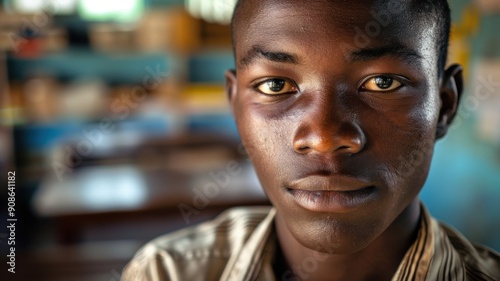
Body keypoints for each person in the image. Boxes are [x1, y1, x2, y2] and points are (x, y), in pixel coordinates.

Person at [122, 0, 500, 280]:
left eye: (383, 83)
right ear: (235, 105)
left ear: (445, 106)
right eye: (276, 85)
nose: (323, 137)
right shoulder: (164, 272)